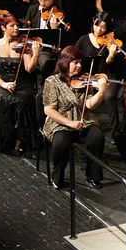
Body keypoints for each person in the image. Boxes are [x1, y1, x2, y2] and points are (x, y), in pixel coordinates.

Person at [42, 46, 109, 189]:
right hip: (61, 121)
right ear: (65, 62)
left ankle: (93, 176)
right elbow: (49, 110)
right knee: (61, 143)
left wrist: (101, 93)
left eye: (80, 63)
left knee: (97, 137)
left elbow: (89, 105)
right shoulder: (52, 81)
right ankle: (57, 177)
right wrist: (69, 123)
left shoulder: (84, 80)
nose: (79, 66)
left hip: (82, 119)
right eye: (75, 62)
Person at [0, 13, 40, 154]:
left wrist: (36, 54)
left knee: (22, 101)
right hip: (0, 83)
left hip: (21, 83)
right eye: (12, 26)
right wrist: (3, 84)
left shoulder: (22, 45)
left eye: (17, 25)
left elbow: (29, 69)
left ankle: (18, 142)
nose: (16, 28)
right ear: (3, 27)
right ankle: (1, 141)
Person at [75, 12, 126, 135]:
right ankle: (82, 124)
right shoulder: (83, 40)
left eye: (103, 27)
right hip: (89, 76)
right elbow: (74, 56)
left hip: (108, 76)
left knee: (109, 96)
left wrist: (111, 55)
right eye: (97, 25)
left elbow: (111, 64)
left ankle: (114, 131)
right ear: (93, 22)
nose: (99, 30)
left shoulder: (110, 42)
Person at [24, 0, 68, 80]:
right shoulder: (33, 9)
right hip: (32, 47)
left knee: (45, 61)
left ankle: (44, 84)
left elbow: (63, 39)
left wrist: (54, 29)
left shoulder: (59, 13)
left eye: (45, 0)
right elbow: (25, 29)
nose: (42, 3)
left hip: (48, 49)